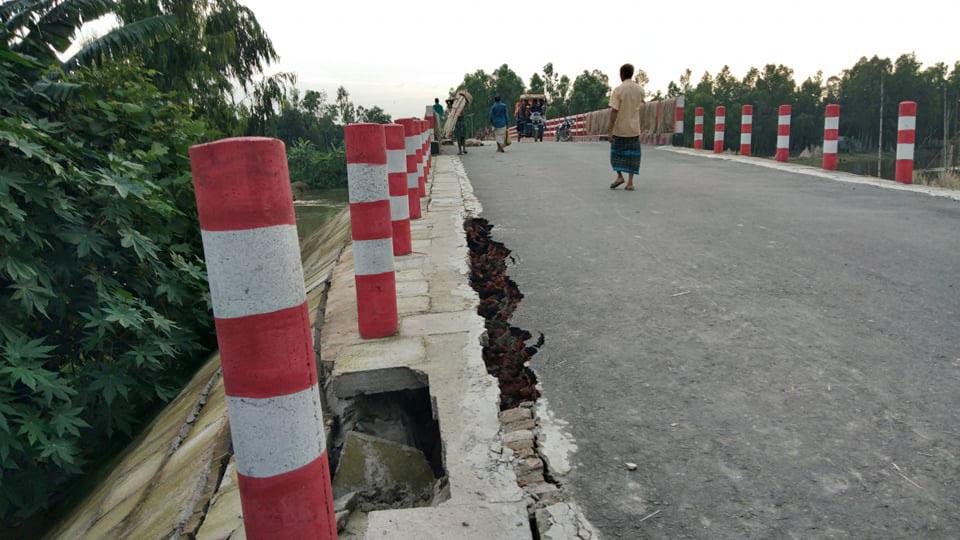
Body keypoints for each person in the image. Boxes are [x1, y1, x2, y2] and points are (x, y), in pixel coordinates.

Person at [607, 63, 644, 191]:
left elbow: (614, 111)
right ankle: (630, 182)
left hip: (620, 130)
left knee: (616, 155)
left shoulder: (618, 90)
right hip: (634, 129)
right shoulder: (640, 90)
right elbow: (640, 105)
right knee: (633, 156)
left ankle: (619, 176)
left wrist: (610, 130)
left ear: (621, 74)